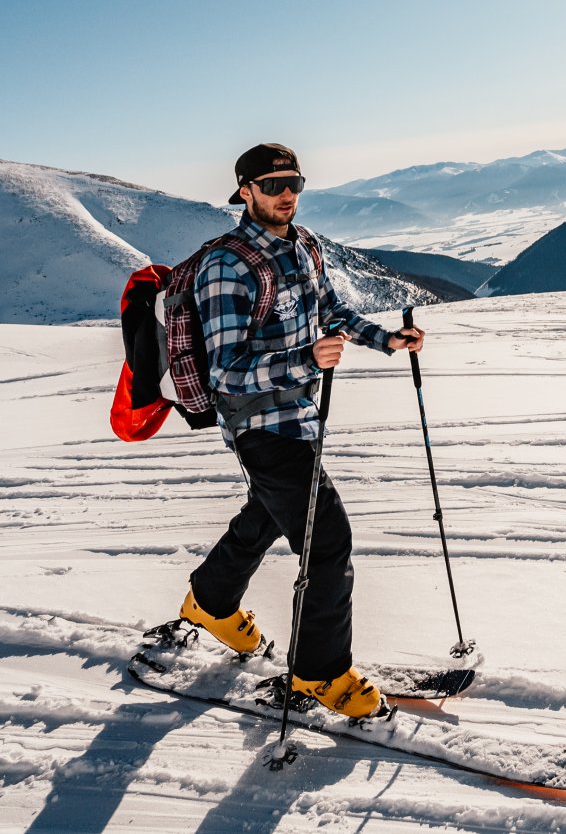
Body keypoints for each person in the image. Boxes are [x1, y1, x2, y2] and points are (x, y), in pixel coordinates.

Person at [177, 141, 424, 718]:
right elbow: (227, 372)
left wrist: (383, 339)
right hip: (258, 423)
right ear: (245, 191)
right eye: (272, 185)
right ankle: (320, 677)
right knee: (328, 540)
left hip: (299, 415)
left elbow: (330, 312)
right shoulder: (227, 265)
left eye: (295, 182)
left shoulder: (303, 246)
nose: (286, 194)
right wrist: (307, 360)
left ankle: (210, 603)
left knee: (265, 514)